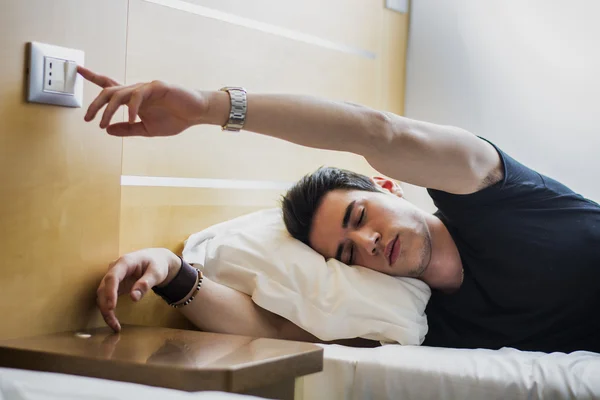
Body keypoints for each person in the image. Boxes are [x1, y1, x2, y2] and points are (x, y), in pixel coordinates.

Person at [81, 66, 600, 353]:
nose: (370, 244)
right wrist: (174, 272)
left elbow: (376, 130)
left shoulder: (492, 195)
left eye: (359, 217)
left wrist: (208, 108)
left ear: (387, 186)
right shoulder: (407, 317)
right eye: (349, 254)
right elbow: (281, 331)